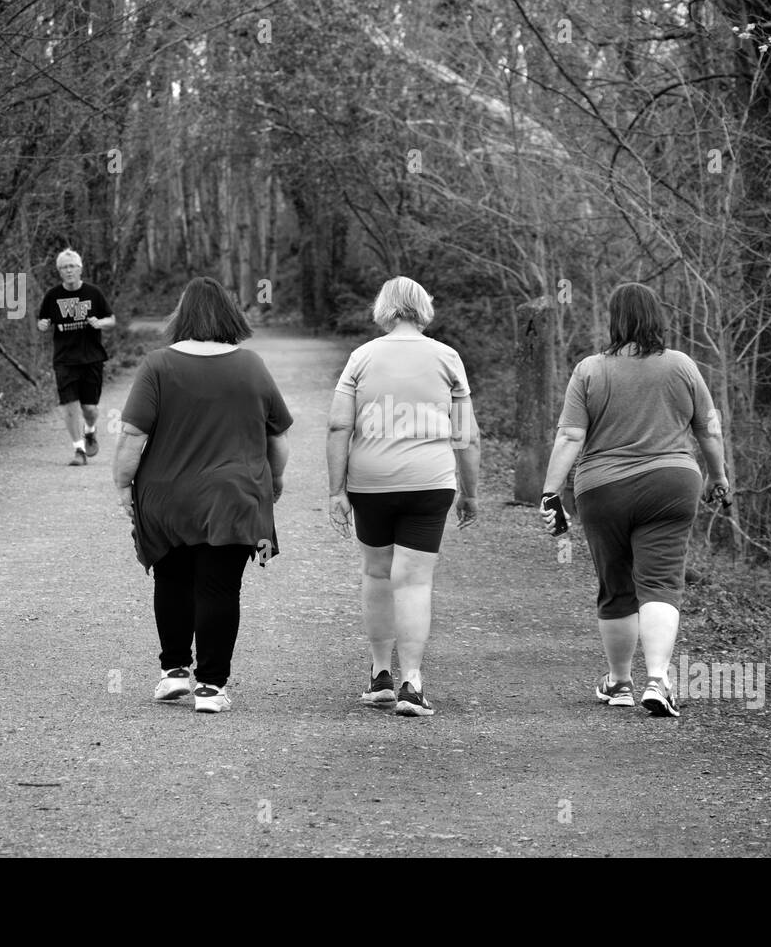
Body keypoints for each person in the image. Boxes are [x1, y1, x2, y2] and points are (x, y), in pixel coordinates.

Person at [540, 282, 729, 718]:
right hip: (672, 484)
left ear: (615, 321)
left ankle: (620, 683)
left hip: (602, 488)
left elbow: (570, 435)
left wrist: (551, 492)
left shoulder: (589, 370)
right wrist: (718, 476)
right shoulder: (682, 366)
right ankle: (658, 680)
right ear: (656, 318)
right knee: (661, 582)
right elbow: (710, 429)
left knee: (617, 587)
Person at [112, 277, 292, 713]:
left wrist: (122, 484)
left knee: (172, 580)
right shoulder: (251, 365)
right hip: (233, 497)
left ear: (182, 316)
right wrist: (274, 482)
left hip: (167, 496)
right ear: (230, 315)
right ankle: (211, 688)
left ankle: (174, 673)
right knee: (219, 588)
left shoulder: (157, 365)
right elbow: (279, 437)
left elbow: (133, 436)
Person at [327, 276, 480, 717]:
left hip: (370, 482)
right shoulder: (447, 357)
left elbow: (339, 426)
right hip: (429, 481)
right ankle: (412, 683)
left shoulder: (362, 356)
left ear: (384, 309)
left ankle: (380, 677)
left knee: (377, 575)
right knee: (413, 581)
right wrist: (470, 493)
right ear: (423, 308)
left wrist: (337, 490)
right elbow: (465, 435)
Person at [37, 249, 116, 466]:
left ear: (80, 269)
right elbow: (42, 321)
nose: (68, 270)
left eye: (72, 266)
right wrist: (42, 325)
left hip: (91, 358)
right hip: (65, 360)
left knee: (89, 409)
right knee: (69, 405)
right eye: (64, 267)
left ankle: (90, 431)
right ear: (59, 272)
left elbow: (111, 319)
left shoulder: (94, 293)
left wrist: (101, 323)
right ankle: (79, 450)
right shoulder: (52, 296)